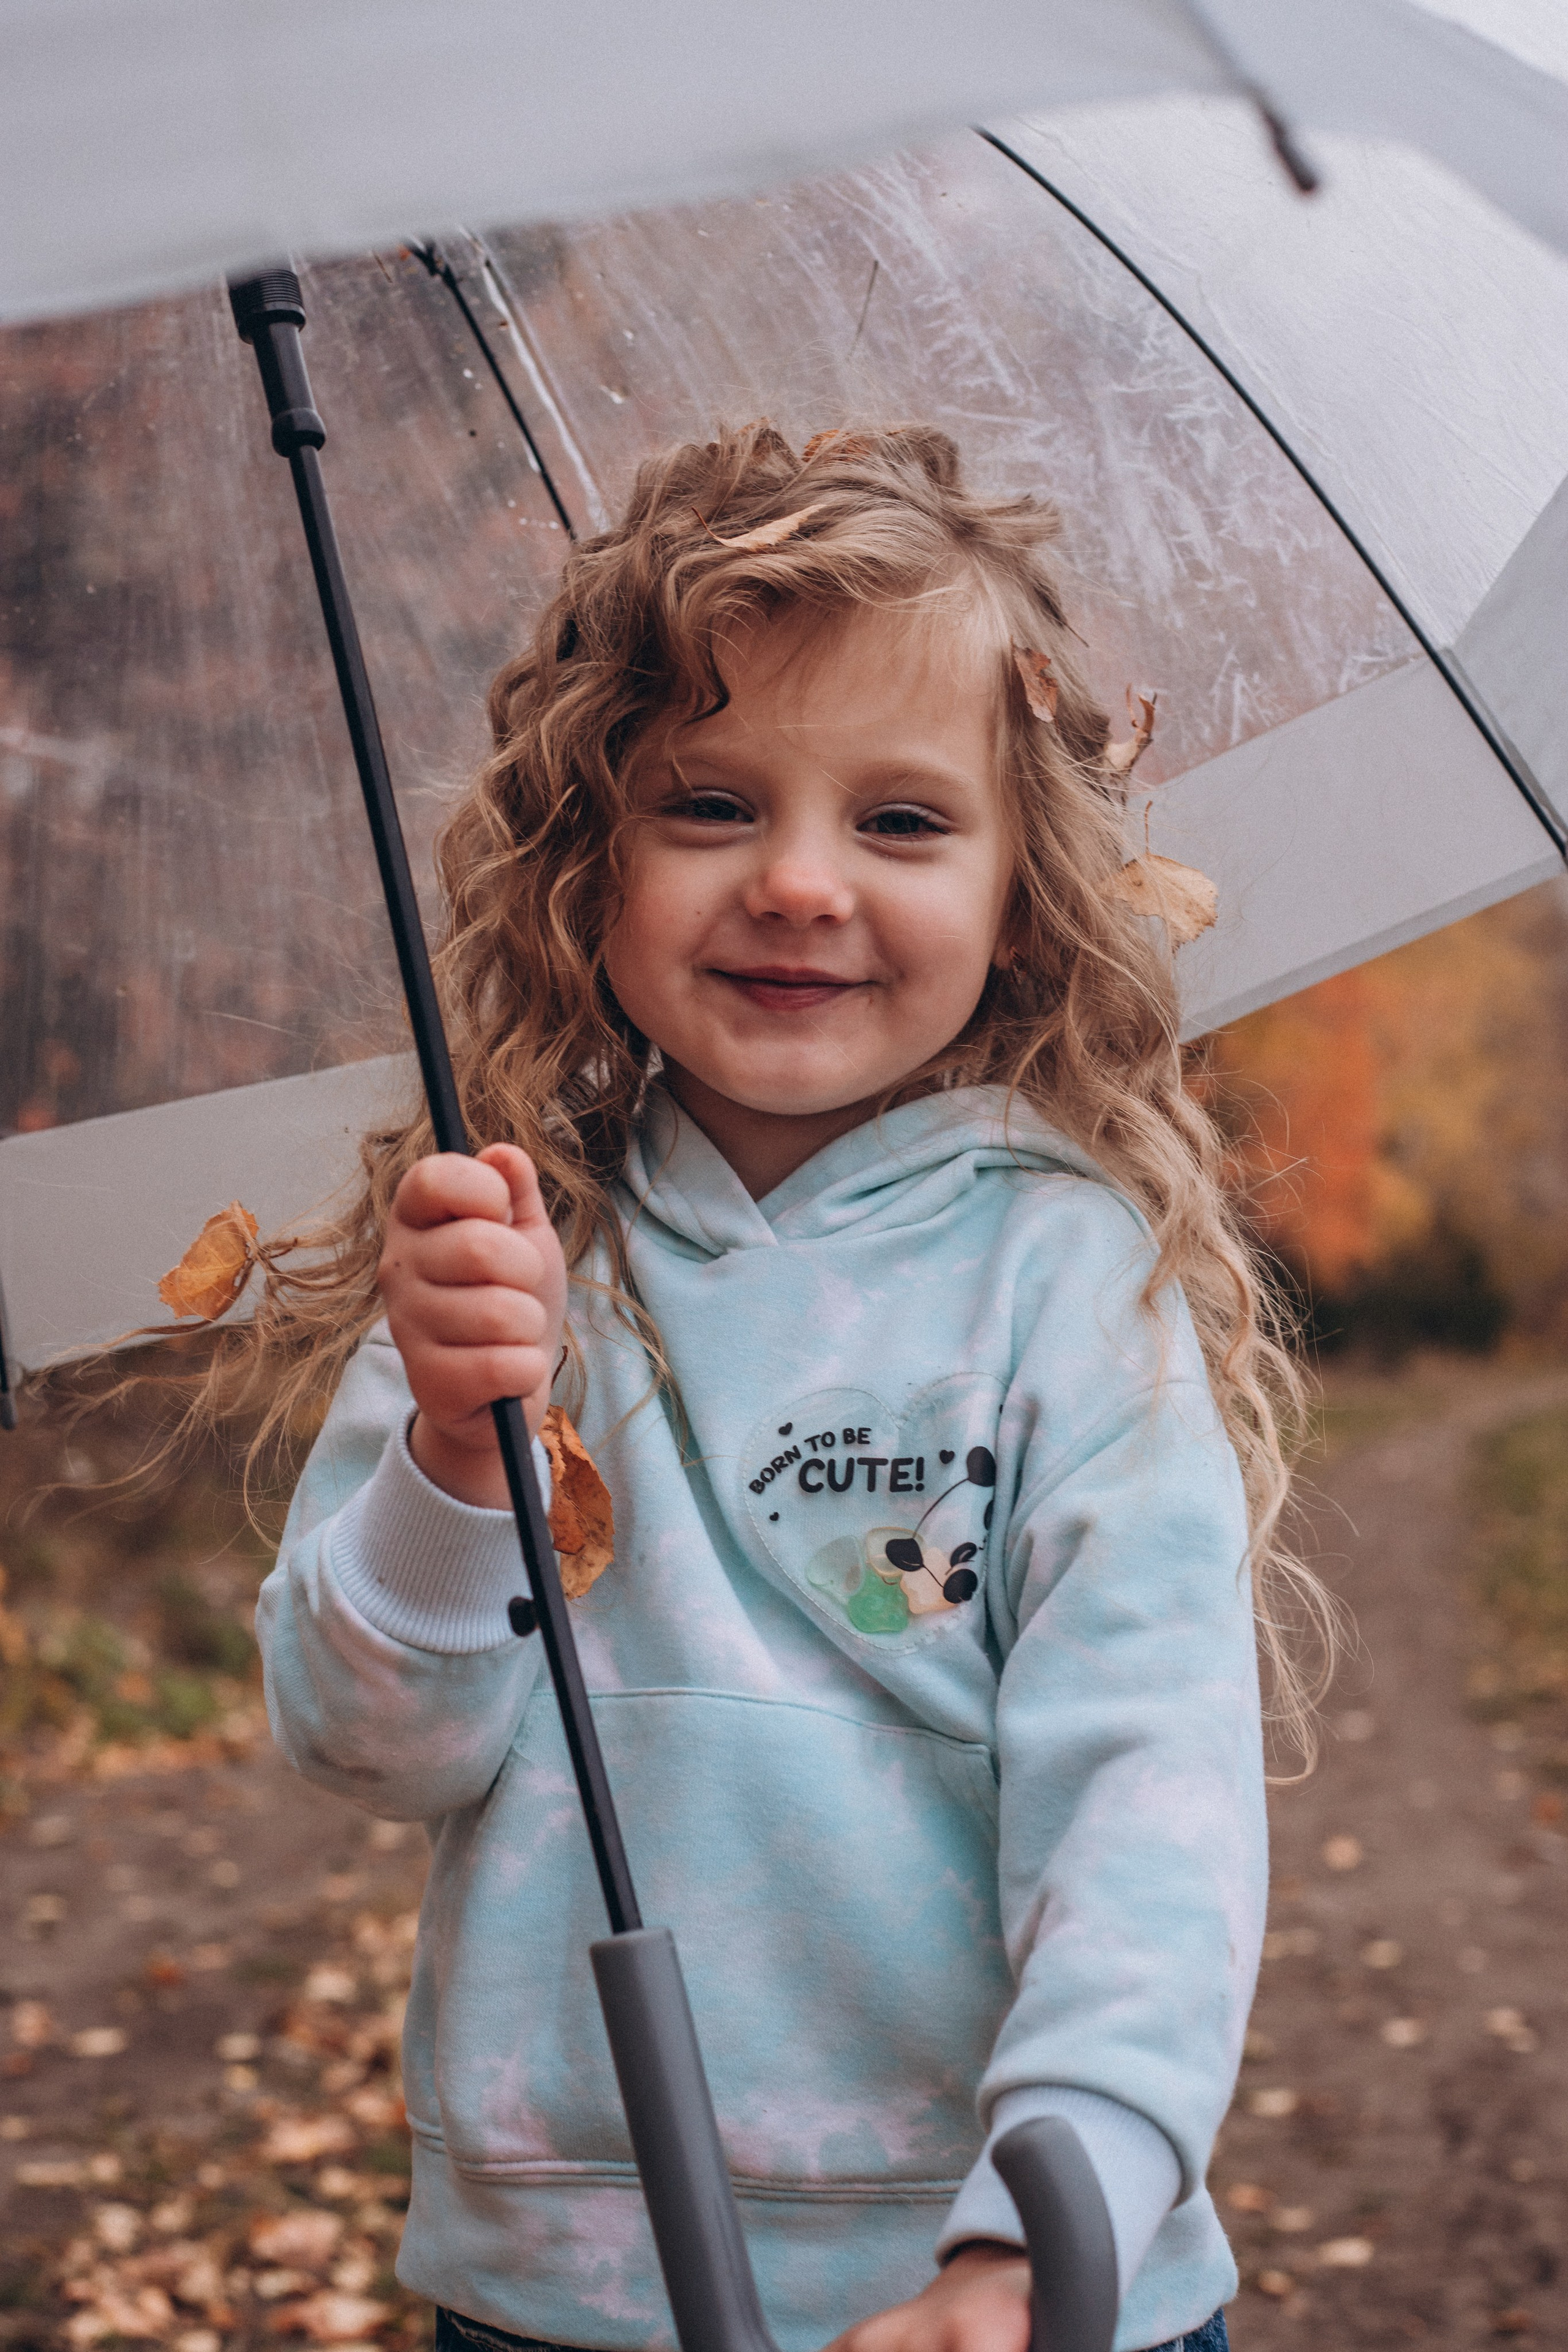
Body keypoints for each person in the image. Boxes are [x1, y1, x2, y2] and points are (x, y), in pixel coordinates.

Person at [254, 421, 1324, 2352]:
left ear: (1024, 887)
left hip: (1009, 2284)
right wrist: (440, 1450)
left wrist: (1035, 2240)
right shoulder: (510, 1254)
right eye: (710, 805)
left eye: (903, 822)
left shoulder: (1065, 1277)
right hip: (562, 2288)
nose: (803, 884)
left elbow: (1147, 1809)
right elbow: (365, 1747)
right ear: (588, 861)